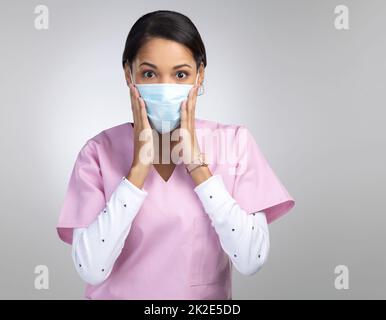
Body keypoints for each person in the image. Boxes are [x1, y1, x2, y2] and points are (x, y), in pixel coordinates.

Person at [56, 10, 295, 300]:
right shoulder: (97, 152)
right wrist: (137, 170)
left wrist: (198, 166)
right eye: (149, 73)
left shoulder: (234, 144)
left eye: (180, 74)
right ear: (128, 74)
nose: (164, 87)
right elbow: (91, 268)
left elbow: (251, 259)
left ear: (200, 75)